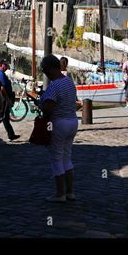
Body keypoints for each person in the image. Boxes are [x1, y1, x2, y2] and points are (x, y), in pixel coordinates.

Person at [39, 55, 79, 203]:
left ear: (50, 68)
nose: (44, 72)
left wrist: (41, 105)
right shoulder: (69, 82)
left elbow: (49, 107)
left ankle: (59, 194)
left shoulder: (54, 85)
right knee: (67, 158)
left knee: (56, 159)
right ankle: (70, 192)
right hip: (73, 122)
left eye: (44, 69)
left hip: (59, 123)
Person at [0, 59, 20, 142]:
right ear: (0, 65)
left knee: (5, 118)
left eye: (6, 65)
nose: (6, 67)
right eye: (4, 65)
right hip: (3, 99)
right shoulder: (0, 74)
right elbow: (2, 88)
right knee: (0, 117)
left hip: (3, 99)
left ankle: (11, 135)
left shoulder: (1, 73)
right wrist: (7, 99)